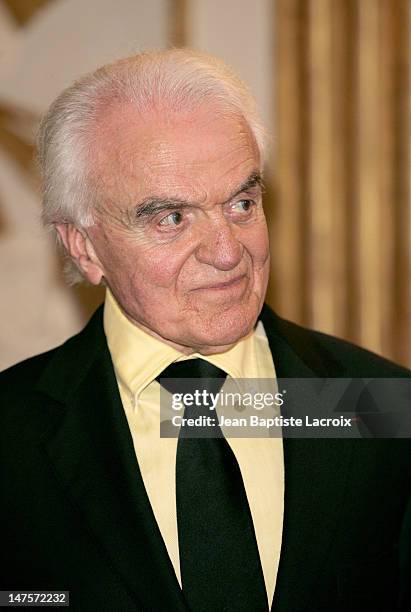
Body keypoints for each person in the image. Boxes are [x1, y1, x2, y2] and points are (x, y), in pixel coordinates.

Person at [0, 49, 410, 612]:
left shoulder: (381, 407)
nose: (227, 252)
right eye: (172, 218)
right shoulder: (11, 435)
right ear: (85, 246)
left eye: (242, 203)